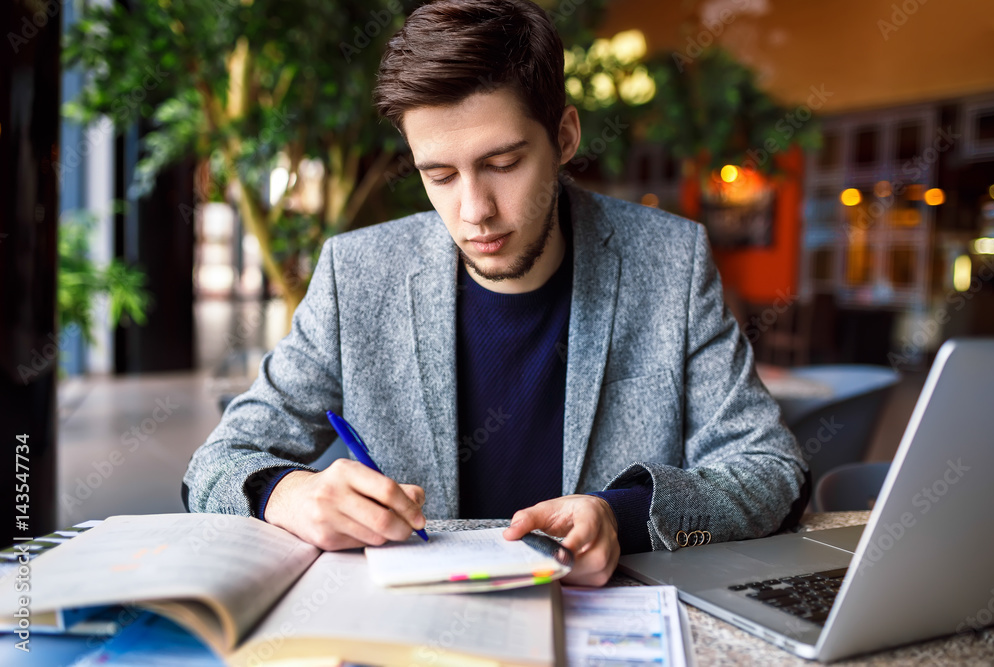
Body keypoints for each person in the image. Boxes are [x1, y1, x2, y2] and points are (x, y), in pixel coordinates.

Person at [182, 0, 808, 587]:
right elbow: (218, 462)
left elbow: (772, 472)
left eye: (504, 164)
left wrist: (621, 517)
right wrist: (288, 493)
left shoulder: (669, 263)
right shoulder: (357, 274)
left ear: (564, 138)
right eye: (440, 175)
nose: (474, 211)